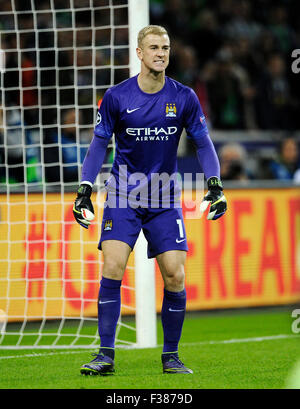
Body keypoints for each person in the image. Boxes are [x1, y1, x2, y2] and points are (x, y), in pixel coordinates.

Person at [73, 25, 227, 376]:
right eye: (154, 47)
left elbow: (203, 143)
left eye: (166, 47)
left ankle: (171, 357)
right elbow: (98, 144)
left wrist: (215, 184)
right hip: (123, 195)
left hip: (163, 197)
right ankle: (105, 356)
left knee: (175, 276)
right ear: (139, 53)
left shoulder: (184, 96)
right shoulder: (116, 96)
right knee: (112, 267)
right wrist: (85, 189)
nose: (161, 53)